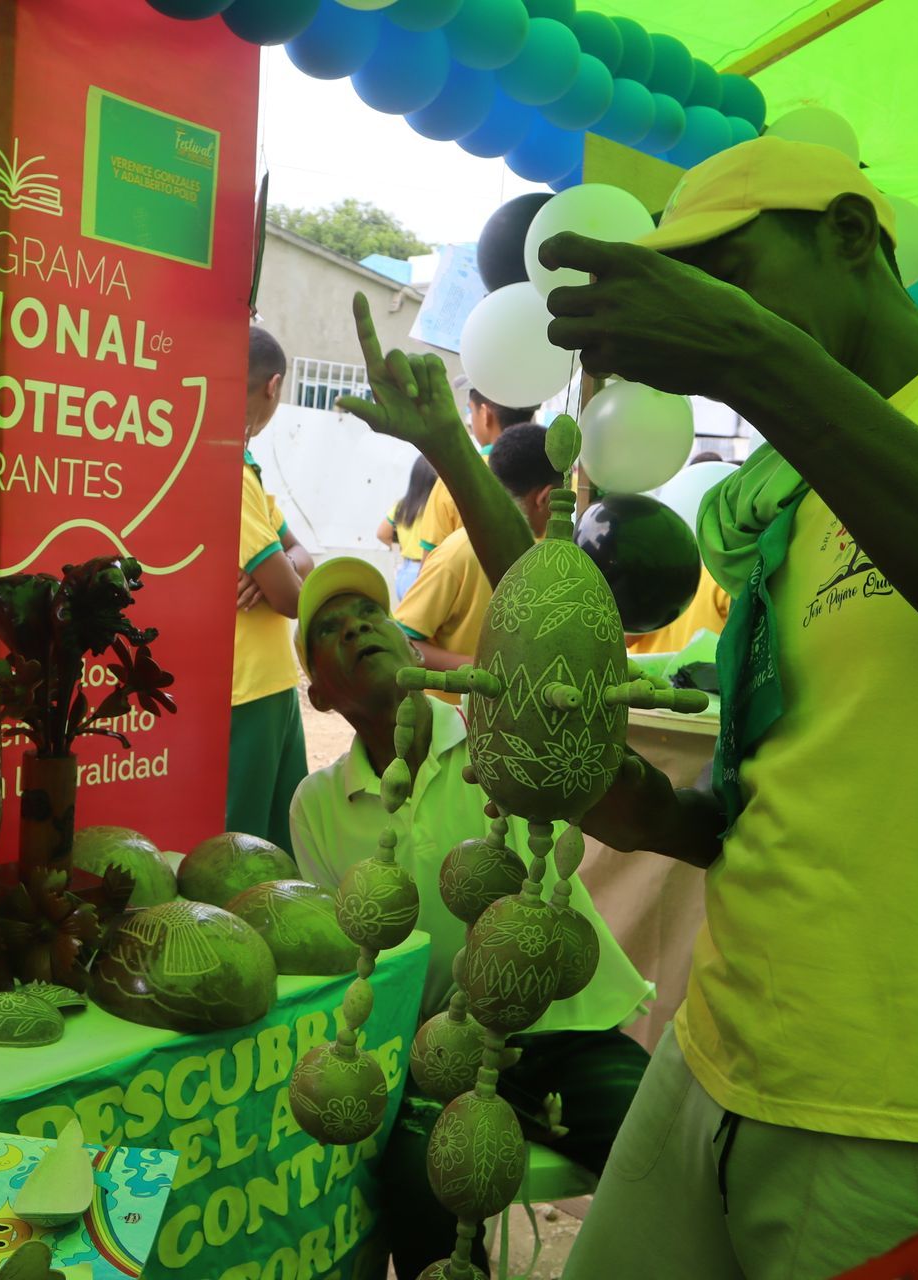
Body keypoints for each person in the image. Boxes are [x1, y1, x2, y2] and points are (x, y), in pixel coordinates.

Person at [339, 135, 918, 1278]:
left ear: (851, 238)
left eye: (732, 272)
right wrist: (630, 800)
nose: (707, 311)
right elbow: (743, 806)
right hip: (716, 1049)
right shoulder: (808, 485)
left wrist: (755, 357)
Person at [289, 556, 652, 1279]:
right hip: (440, 1053)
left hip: (565, 1030)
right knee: (419, 1195)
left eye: (370, 612)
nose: (356, 625)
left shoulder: (498, 731)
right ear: (319, 696)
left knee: (665, 1158)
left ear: (412, 646)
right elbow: (354, 958)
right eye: (328, 629)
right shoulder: (318, 805)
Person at [230, 326, 313, 852]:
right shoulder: (226, 472)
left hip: (271, 682)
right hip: (242, 687)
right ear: (275, 386)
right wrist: (282, 574)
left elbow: (303, 557)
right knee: (242, 848)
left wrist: (279, 566)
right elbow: (294, 596)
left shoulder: (247, 470)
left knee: (281, 842)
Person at [397, 423, 559, 676]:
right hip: (454, 714)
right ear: (545, 498)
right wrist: (485, 670)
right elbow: (403, 642)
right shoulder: (461, 550)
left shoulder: (543, 555)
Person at [411, 387, 537, 556]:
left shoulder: (455, 476)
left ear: (485, 414)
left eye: (471, 410)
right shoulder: (547, 475)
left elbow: (431, 559)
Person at [376, 453, 436, 600]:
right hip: (426, 571)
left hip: (405, 572)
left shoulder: (401, 506)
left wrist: (401, 550)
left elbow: (382, 533)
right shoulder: (435, 509)